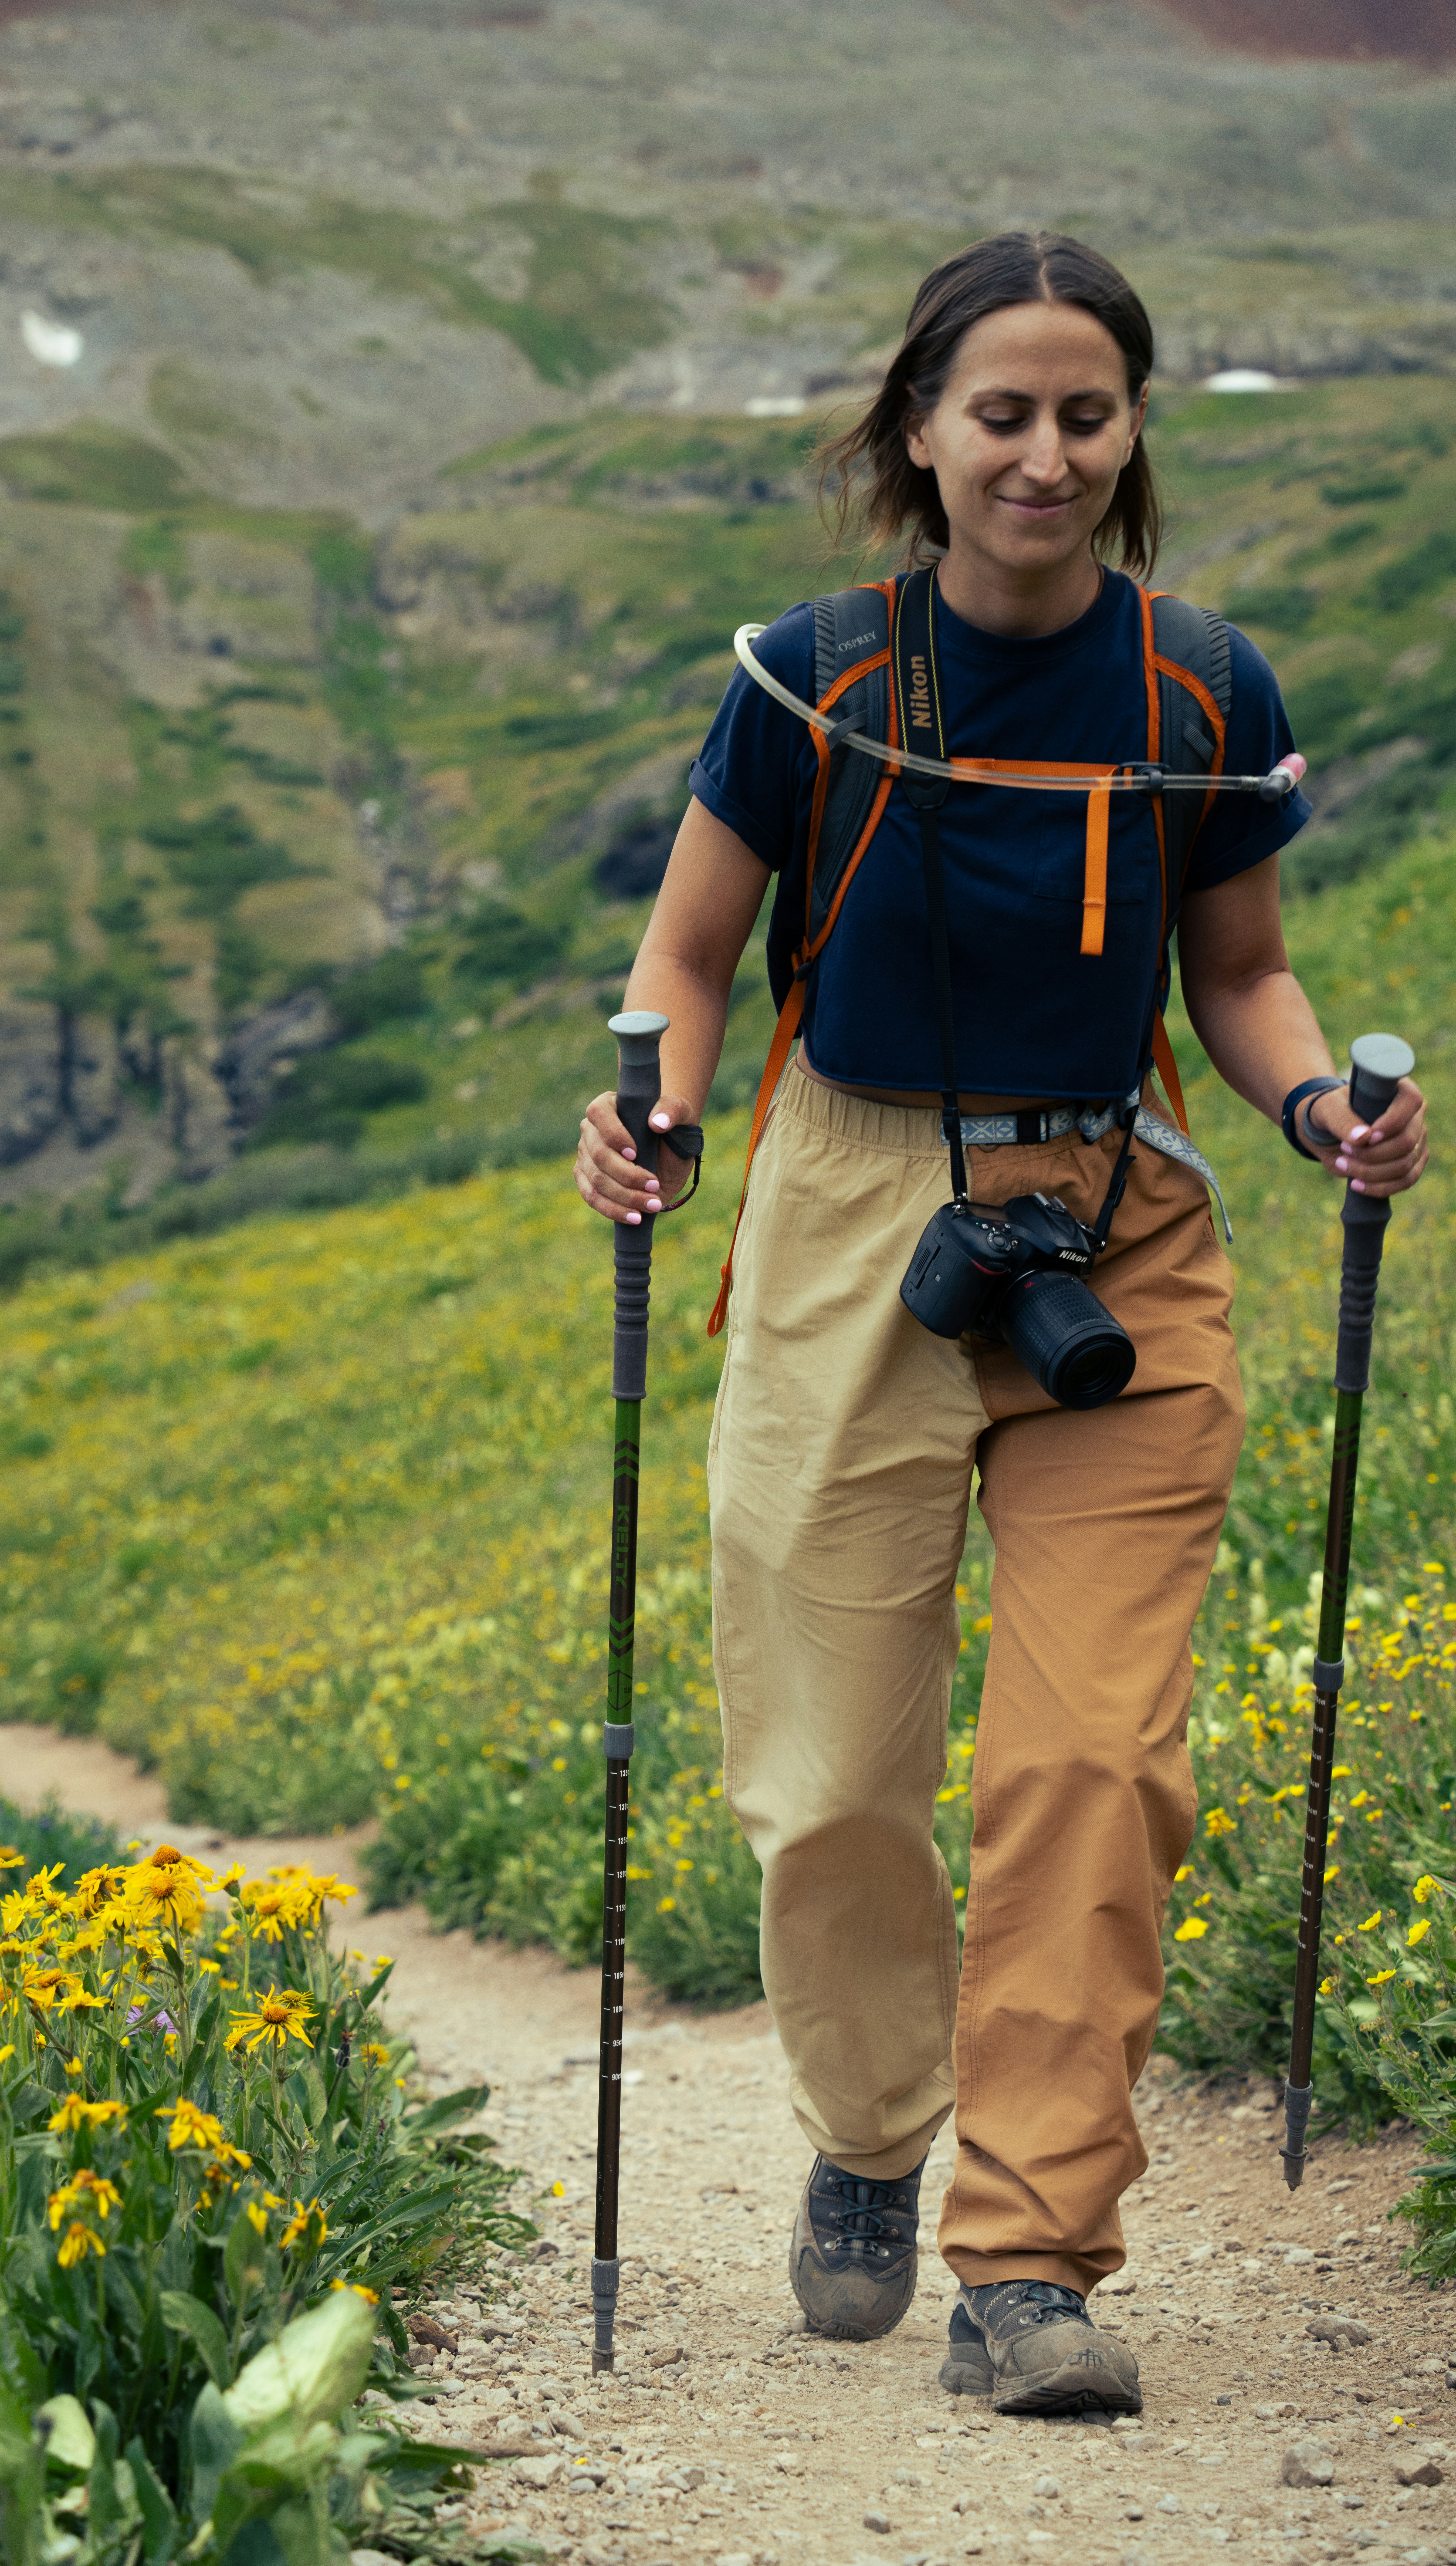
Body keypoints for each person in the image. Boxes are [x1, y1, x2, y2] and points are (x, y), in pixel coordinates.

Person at [573, 230, 1429, 2417]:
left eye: (1087, 414)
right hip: (855, 1206)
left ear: (1133, 436)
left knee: (1096, 1764)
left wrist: (1321, 1099)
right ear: (921, 437)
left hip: (1113, 1220)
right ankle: (867, 2136)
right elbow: (686, 956)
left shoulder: (1199, 691)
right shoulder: (806, 682)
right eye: (1003, 414)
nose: (1044, 455)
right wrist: (653, 1115)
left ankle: (1028, 2262)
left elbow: (1235, 972)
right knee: (834, 1775)